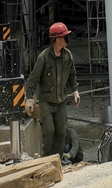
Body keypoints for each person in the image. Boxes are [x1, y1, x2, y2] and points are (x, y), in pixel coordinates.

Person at [25, 22, 80, 157]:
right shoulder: (43, 57)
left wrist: (75, 91)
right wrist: (29, 98)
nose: (67, 39)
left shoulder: (67, 56)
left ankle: (57, 158)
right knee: (48, 131)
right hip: (46, 102)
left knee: (61, 132)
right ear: (58, 39)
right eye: (65, 37)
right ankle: (47, 156)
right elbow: (33, 79)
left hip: (61, 101)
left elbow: (72, 75)